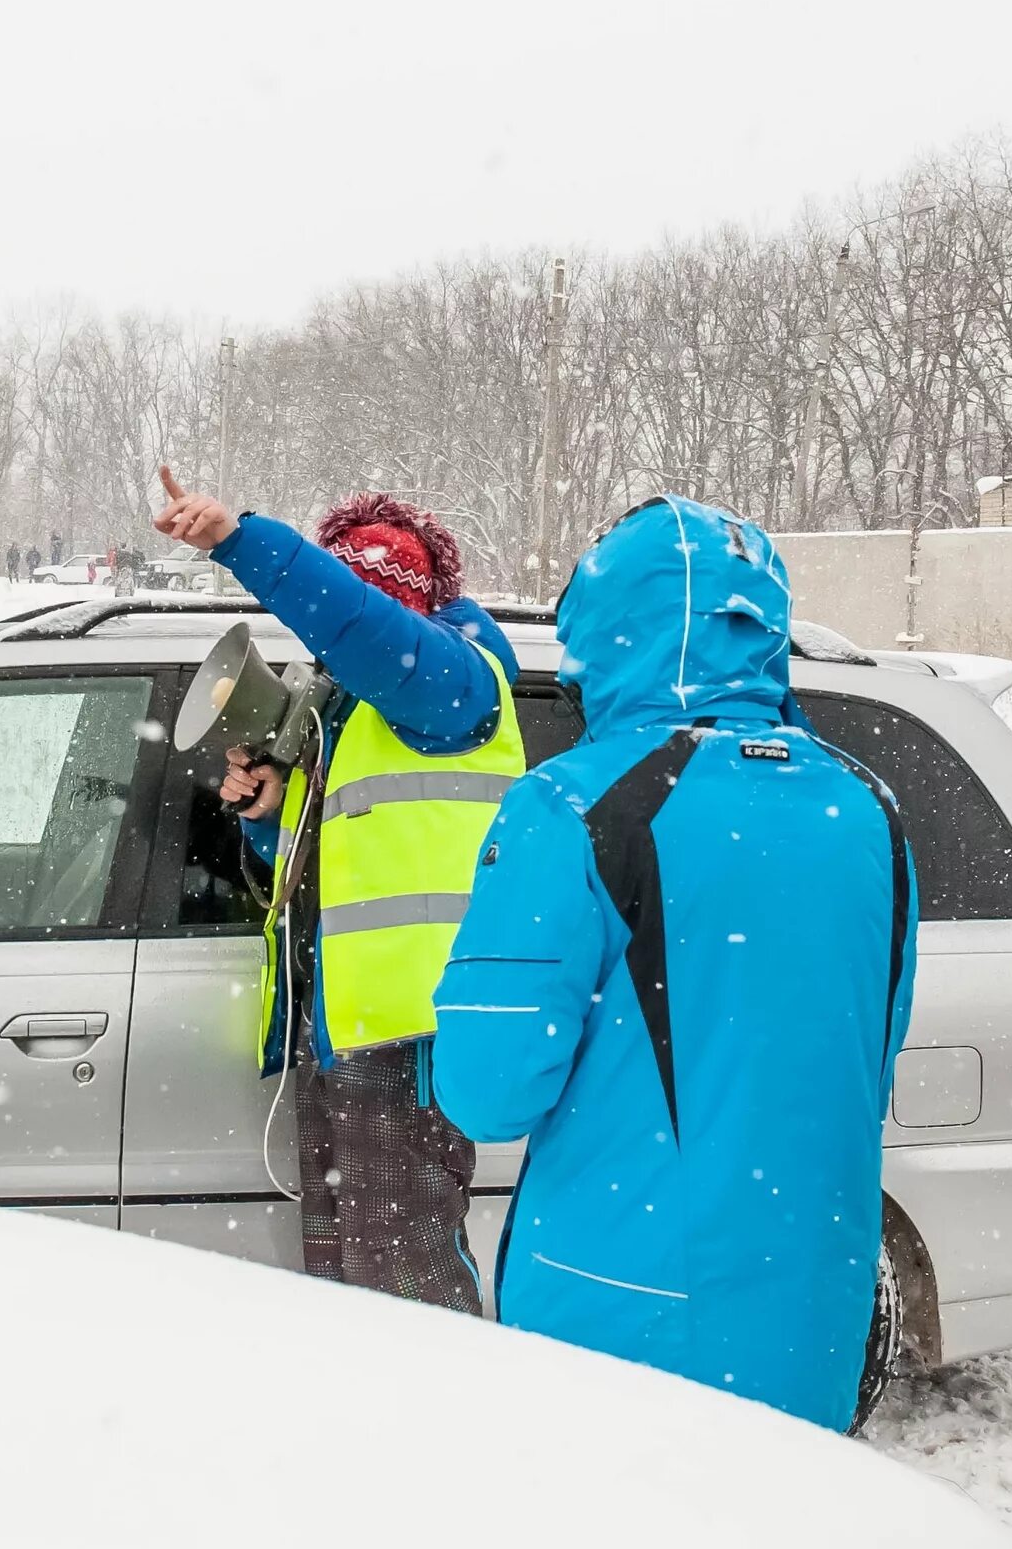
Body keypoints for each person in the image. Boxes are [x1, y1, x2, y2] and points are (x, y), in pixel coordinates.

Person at [430, 496, 916, 1427]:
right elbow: (872, 1052)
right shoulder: (868, 807)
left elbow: (487, 1092)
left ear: (608, 630)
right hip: (813, 1309)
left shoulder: (569, 805)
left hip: (614, 1310)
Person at [152, 470, 523, 1311]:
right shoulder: (356, 715)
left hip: (408, 1037)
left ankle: (444, 1429)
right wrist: (267, 815)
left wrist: (239, 541)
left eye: (367, 595)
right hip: (348, 1032)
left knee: (408, 1281)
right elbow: (336, 868)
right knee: (349, 1285)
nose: (337, 631)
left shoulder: (456, 685)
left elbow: (361, 624)